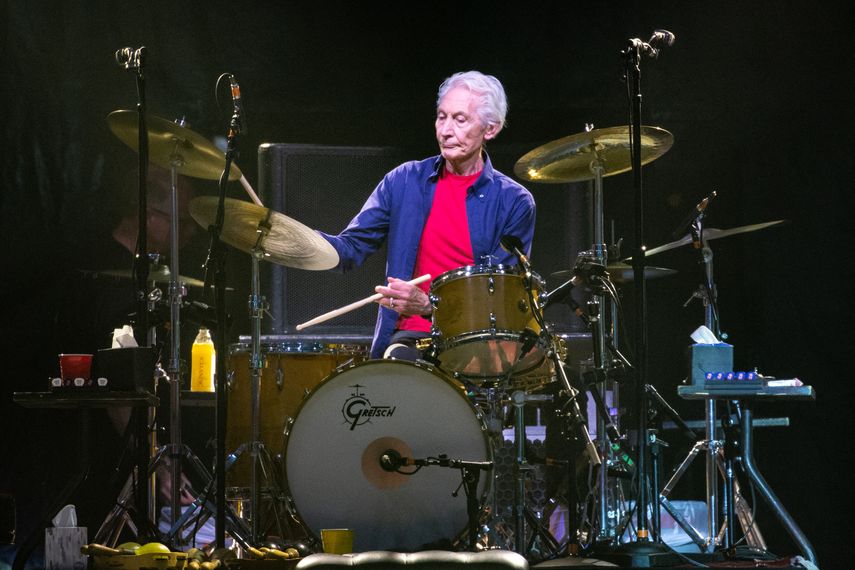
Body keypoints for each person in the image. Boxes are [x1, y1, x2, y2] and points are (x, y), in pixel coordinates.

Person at [319, 70, 536, 360]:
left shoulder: (514, 201)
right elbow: (349, 249)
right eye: (441, 117)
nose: (445, 130)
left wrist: (429, 305)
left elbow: (498, 298)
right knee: (397, 363)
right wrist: (289, 238)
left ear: (490, 129)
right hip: (410, 338)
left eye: (460, 119)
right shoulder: (404, 180)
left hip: (476, 341)